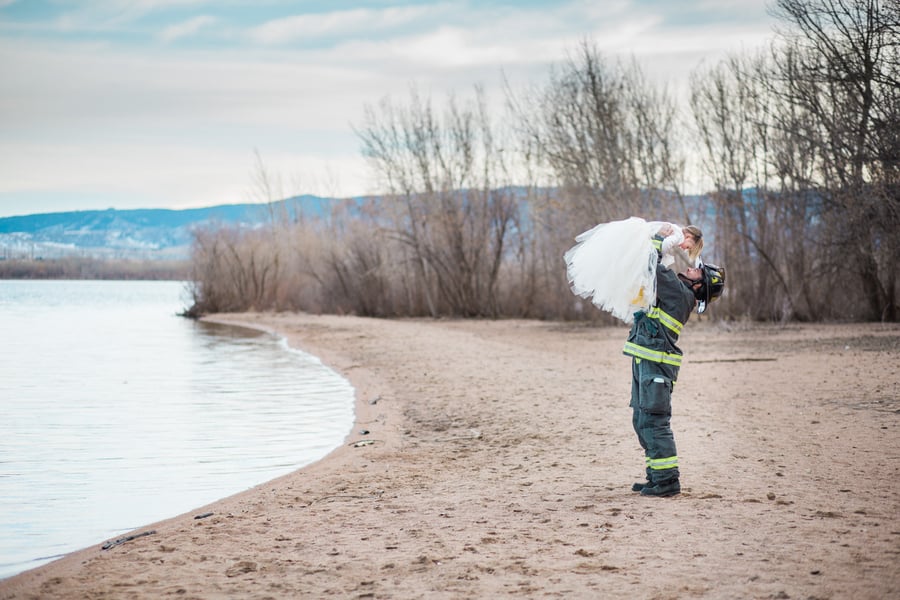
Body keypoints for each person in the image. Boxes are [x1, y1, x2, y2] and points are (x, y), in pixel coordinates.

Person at [625, 230, 725, 497]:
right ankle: (656, 476)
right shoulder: (681, 291)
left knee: (654, 421)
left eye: (697, 273)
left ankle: (668, 481)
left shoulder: (679, 292)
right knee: (641, 420)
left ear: (698, 286)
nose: (692, 269)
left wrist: (659, 240)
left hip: (656, 364)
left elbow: (650, 265)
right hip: (647, 360)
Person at [564, 217, 704, 324]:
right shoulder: (678, 235)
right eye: (689, 246)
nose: (685, 249)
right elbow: (665, 244)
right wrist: (659, 257)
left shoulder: (673, 228)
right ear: (690, 236)